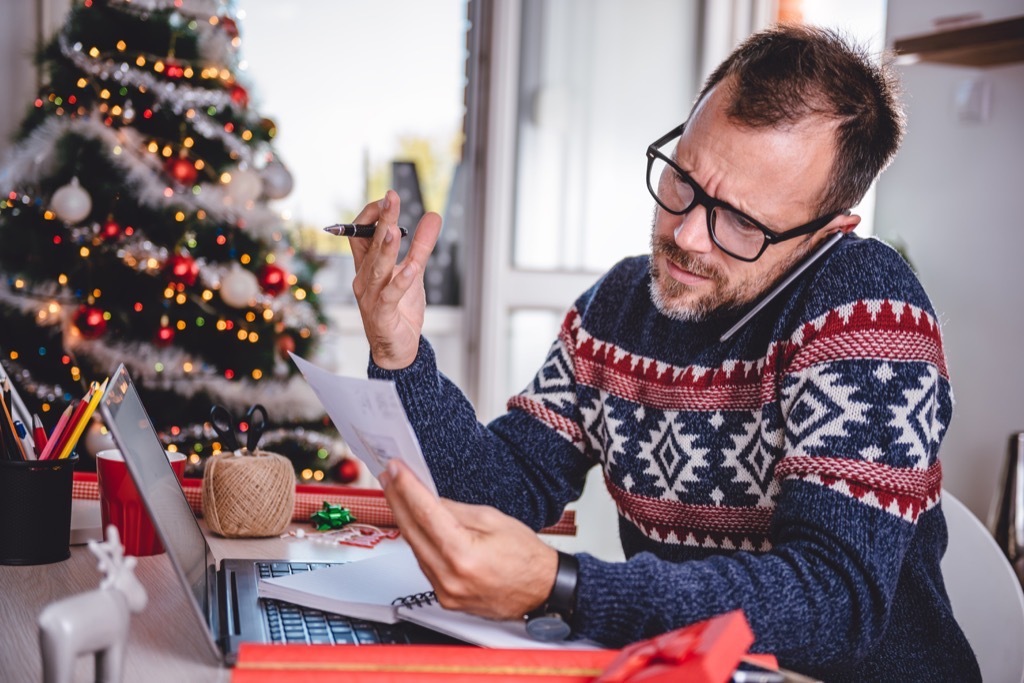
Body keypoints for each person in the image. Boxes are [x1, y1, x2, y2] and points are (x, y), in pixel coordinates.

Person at [346, 24, 981, 681]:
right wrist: (400, 351)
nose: (686, 234)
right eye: (684, 178)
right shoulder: (616, 306)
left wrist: (564, 586)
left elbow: (833, 601)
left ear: (826, 230)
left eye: (742, 221)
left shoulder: (868, 305)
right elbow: (497, 492)